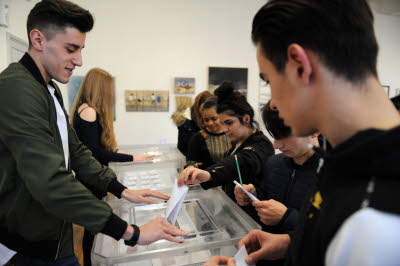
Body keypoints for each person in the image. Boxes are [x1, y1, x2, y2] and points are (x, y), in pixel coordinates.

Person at [207, 0, 400, 265]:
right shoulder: (345, 158)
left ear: (299, 65)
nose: (273, 102)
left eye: (269, 80)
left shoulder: (378, 218)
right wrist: (291, 244)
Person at [0, 1, 187, 265]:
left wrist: (123, 190)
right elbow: (50, 181)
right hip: (27, 247)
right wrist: (131, 232)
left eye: (80, 49)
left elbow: (76, 152)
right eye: (70, 49)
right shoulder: (17, 89)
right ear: (38, 39)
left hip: (56, 234)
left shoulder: (47, 89)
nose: (79, 60)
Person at [70, 67, 153, 265]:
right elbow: (95, 153)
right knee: (92, 231)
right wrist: (132, 157)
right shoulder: (89, 111)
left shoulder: (84, 108)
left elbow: (97, 149)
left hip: (91, 179)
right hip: (91, 181)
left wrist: (131, 156)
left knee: (93, 231)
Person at [178, 82, 275, 200]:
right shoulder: (237, 142)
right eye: (223, 124)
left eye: (229, 123)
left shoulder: (261, 145)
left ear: (246, 119)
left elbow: (238, 162)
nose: (225, 129)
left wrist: (209, 174)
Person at [186, 97, 231, 169]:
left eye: (214, 119)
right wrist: (192, 166)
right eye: (206, 120)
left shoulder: (232, 134)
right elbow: (190, 163)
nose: (210, 123)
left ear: (222, 116)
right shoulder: (197, 138)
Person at [171, 90, 212, 156]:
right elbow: (184, 147)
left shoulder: (208, 118)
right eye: (205, 106)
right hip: (190, 159)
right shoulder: (186, 121)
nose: (206, 109)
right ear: (198, 104)